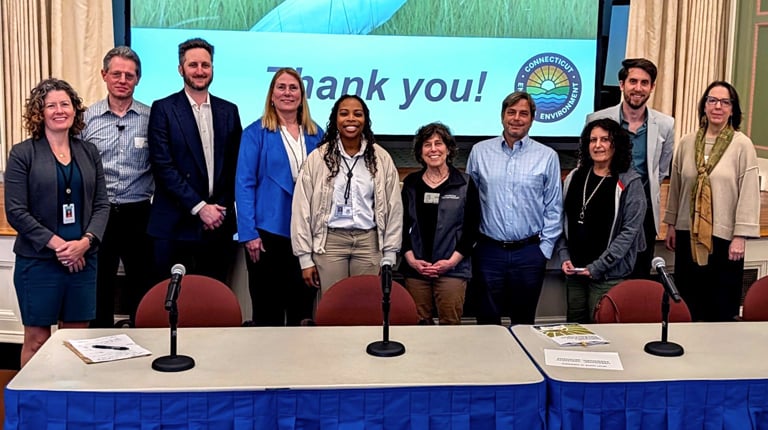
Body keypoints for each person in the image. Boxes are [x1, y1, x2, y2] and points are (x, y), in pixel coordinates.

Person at [4, 78, 109, 366]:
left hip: (83, 261)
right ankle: (33, 406)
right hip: (38, 262)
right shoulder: (22, 153)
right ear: (40, 112)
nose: (59, 110)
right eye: (51, 105)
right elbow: (16, 211)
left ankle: (69, 403)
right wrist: (62, 247)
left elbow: (102, 204)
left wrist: (84, 244)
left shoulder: (88, 152)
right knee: (37, 340)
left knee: (76, 341)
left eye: (65, 104)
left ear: (75, 110)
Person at [147, 38, 242, 283]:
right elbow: (163, 166)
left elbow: (235, 167)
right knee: (173, 305)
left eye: (205, 65)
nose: (200, 71)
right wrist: (201, 208)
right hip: (175, 227)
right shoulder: (163, 109)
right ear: (181, 69)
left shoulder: (229, 111)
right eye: (193, 65)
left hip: (217, 227)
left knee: (213, 305)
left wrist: (218, 210)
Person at [664, 81, 760, 322]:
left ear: (732, 109)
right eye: (712, 100)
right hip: (688, 236)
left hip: (725, 241)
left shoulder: (742, 145)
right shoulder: (686, 143)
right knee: (688, 302)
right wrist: (672, 224)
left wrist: (741, 236)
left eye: (725, 102)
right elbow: (677, 185)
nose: (718, 106)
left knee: (719, 306)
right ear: (704, 105)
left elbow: (749, 192)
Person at [235, 68, 324, 326]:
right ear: (271, 95)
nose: (287, 92)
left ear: (302, 95)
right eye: (281, 87)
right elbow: (244, 184)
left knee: (302, 310)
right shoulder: (255, 133)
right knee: (267, 310)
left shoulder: (316, 134)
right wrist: (248, 233)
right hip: (267, 234)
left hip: (306, 234)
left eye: (293, 87)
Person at [466, 91, 562, 325]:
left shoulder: (547, 156)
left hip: (529, 253)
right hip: (488, 251)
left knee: (524, 321)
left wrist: (544, 249)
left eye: (523, 113)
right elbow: (469, 203)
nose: (516, 118)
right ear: (502, 116)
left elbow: (554, 206)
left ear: (532, 119)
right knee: (486, 323)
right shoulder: (480, 152)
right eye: (511, 112)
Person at [291, 94, 402, 294]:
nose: (351, 119)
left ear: (365, 120)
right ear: (335, 120)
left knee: (364, 307)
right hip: (330, 243)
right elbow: (301, 208)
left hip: (369, 243)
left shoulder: (381, 158)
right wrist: (305, 258)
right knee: (333, 307)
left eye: (357, 114)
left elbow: (394, 208)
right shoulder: (318, 158)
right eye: (344, 114)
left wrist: (390, 253)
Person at [81, 46, 153, 327]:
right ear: (104, 75)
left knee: (142, 283)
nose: (123, 79)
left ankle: (141, 342)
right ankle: (99, 345)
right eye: (117, 74)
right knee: (99, 283)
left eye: (130, 75)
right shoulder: (86, 119)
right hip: (100, 214)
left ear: (138, 79)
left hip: (139, 213)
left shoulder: (151, 118)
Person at [587, 58, 674, 279]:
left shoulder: (666, 125)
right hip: (605, 211)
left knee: (638, 277)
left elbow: (660, 170)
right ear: (622, 84)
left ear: (652, 87)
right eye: (632, 81)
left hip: (643, 215)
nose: (638, 88)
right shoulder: (598, 119)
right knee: (603, 275)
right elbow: (587, 166)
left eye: (644, 83)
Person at [556, 118, 647, 323]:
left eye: (605, 139)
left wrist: (599, 266)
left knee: (603, 332)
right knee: (575, 332)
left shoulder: (630, 182)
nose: (597, 145)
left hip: (608, 275)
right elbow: (562, 221)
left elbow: (629, 233)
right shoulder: (574, 176)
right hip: (575, 272)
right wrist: (564, 256)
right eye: (592, 140)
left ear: (616, 144)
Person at [400, 123, 480, 325]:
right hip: (417, 269)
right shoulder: (411, 183)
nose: (433, 149)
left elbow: (472, 229)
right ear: (420, 151)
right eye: (427, 144)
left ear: (449, 149)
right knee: (418, 327)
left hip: (453, 269)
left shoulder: (465, 183)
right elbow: (401, 225)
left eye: (439, 143)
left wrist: (451, 262)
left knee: (450, 326)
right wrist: (411, 261)